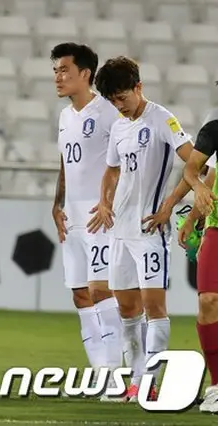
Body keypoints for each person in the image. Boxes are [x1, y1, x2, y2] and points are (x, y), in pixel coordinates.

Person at [87, 56, 199, 402]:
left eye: (122, 97)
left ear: (139, 87)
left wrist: (169, 206)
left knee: (154, 307)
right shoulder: (119, 127)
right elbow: (110, 170)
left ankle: (151, 383)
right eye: (112, 101)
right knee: (126, 311)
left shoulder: (162, 118)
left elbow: (196, 163)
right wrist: (104, 202)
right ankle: (132, 383)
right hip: (119, 230)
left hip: (149, 231)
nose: (119, 106)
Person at [46, 43, 124, 399]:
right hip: (72, 214)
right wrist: (57, 201)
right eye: (55, 71)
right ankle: (100, 374)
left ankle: (117, 374)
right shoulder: (65, 116)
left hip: (100, 214)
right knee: (80, 294)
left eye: (64, 70)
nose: (58, 77)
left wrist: (110, 201)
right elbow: (66, 161)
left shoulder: (108, 110)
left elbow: (125, 158)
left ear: (85, 74)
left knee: (101, 290)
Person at [181, 114, 218, 413]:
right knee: (208, 301)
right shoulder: (215, 129)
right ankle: (217, 386)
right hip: (217, 226)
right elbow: (196, 172)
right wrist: (194, 216)